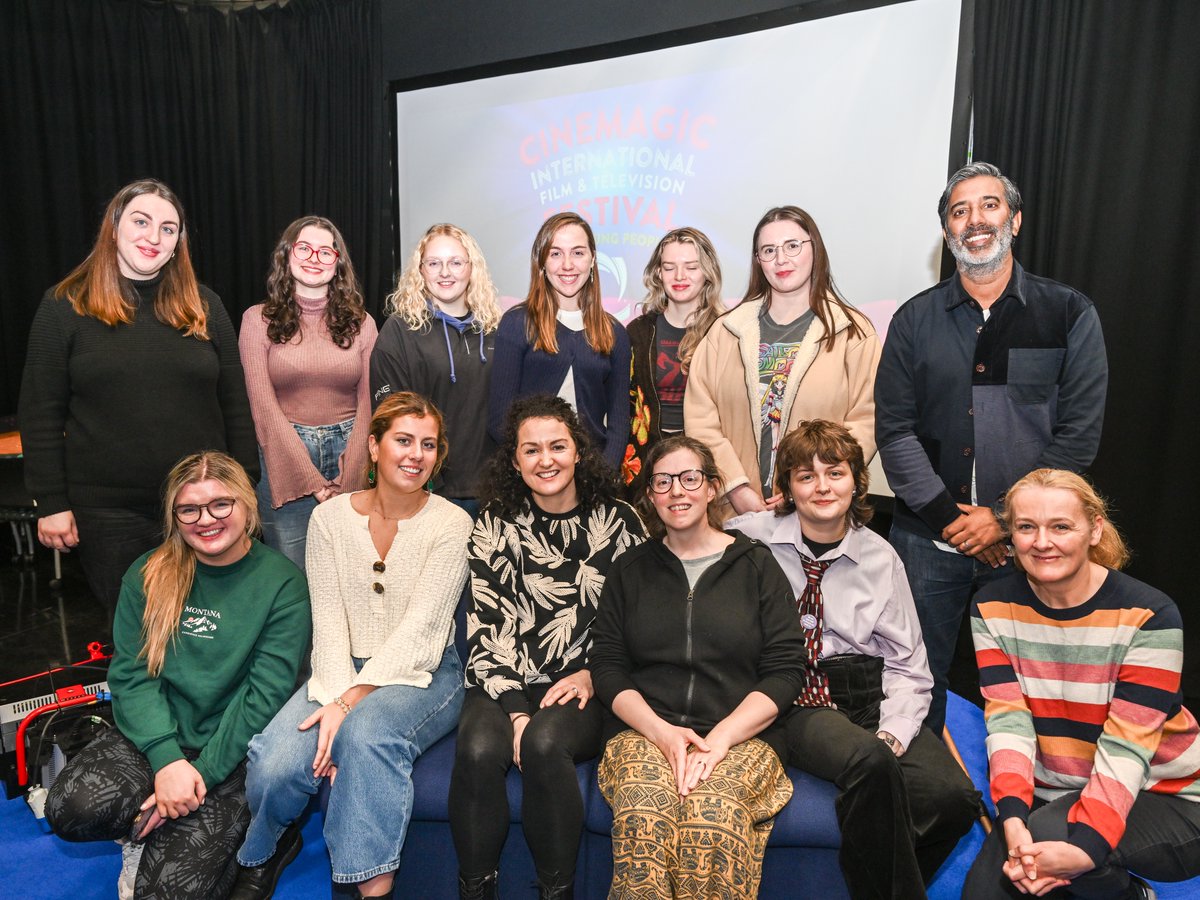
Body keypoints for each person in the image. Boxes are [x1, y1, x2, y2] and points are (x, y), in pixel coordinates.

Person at [875, 162, 1109, 734]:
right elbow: (895, 431)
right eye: (959, 211)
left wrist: (1005, 519)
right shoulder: (912, 321)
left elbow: (1076, 438)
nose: (974, 220)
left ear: (1015, 219)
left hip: (1035, 542)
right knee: (913, 684)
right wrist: (954, 523)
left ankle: (1026, 810)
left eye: (988, 206)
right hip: (926, 539)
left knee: (1034, 689)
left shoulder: (1068, 314)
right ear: (947, 231)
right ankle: (924, 805)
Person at [232, 392, 471, 900]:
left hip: (425, 671)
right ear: (374, 446)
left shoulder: (452, 523)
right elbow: (330, 622)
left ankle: (365, 890)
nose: (416, 454)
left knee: (365, 737)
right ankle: (268, 847)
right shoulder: (330, 519)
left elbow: (423, 632)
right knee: (275, 763)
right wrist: (339, 697)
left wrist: (348, 707)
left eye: (428, 445)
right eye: (403, 440)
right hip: (339, 663)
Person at [728, 420, 980, 899]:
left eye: (835, 473)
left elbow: (910, 666)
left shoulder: (881, 558)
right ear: (785, 488)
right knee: (869, 762)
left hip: (867, 692)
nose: (822, 487)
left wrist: (894, 732)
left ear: (856, 482)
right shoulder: (749, 538)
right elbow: (688, 539)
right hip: (798, 695)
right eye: (805, 476)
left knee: (953, 799)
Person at [44, 451, 310, 900]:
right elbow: (130, 676)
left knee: (167, 894)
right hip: (155, 739)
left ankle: (268, 835)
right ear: (174, 516)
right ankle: (139, 833)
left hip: (230, 755)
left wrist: (195, 777)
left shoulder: (282, 583)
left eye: (220, 504)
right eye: (189, 509)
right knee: (70, 809)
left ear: (246, 505)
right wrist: (167, 761)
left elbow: (263, 697)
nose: (206, 519)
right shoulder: (149, 573)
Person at [19, 179, 258, 612]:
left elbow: (236, 406)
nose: (154, 237)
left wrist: (244, 488)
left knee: (209, 630)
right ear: (114, 228)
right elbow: (40, 414)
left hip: (202, 506)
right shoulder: (62, 306)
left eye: (169, 228)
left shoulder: (206, 306)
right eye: (141, 221)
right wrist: (51, 502)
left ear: (177, 243)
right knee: (137, 639)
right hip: (109, 515)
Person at [964, 469, 1200, 899]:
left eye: (1060, 526)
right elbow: (1009, 721)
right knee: (986, 891)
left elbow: (1127, 746)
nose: (1041, 542)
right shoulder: (992, 607)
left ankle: (1129, 894)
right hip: (1055, 790)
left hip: (1167, 794)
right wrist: (1012, 816)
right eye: (1025, 527)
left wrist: (1090, 850)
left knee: (1059, 840)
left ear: (1095, 529)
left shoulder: (1150, 615)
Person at [591, 434, 809, 898]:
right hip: (644, 733)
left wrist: (721, 738)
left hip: (742, 737)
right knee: (645, 814)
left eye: (690, 478)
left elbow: (787, 669)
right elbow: (608, 666)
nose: (677, 491)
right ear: (650, 494)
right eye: (663, 481)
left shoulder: (756, 565)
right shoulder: (629, 569)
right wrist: (661, 732)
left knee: (712, 817)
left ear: (712, 488)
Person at [451, 394, 646, 900]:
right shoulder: (494, 521)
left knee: (543, 744)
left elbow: (642, 618)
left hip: (586, 682)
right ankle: (477, 889)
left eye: (557, 446)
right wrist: (516, 711)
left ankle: (555, 892)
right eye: (531, 450)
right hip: (504, 677)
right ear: (514, 460)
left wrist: (593, 673)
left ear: (578, 451)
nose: (546, 460)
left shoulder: (620, 520)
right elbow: (485, 624)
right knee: (476, 750)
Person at [684, 205, 880, 517]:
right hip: (735, 513)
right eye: (769, 250)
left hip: (817, 512)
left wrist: (809, 485)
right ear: (758, 260)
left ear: (815, 249)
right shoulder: (726, 331)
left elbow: (866, 421)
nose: (781, 259)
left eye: (792, 246)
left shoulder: (853, 332)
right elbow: (700, 417)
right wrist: (734, 486)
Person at [239, 215, 377, 570]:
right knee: (293, 578)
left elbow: (370, 403)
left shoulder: (363, 323)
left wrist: (350, 473)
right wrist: (312, 480)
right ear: (286, 256)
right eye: (304, 248)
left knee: (353, 575)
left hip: (352, 454)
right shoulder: (257, 321)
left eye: (325, 251)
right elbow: (262, 407)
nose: (314, 258)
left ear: (338, 263)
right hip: (284, 457)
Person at [370, 223, 502, 517]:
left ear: (471, 269)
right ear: (421, 269)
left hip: (492, 490)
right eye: (434, 263)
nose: (445, 272)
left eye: (456, 262)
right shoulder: (400, 331)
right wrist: (426, 478)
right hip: (427, 490)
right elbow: (391, 419)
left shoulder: (495, 329)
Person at [488, 213, 631, 469]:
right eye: (555, 254)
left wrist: (602, 477)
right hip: (531, 476)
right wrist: (537, 465)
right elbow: (500, 420)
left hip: (592, 477)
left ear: (592, 259)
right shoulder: (517, 324)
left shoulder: (615, 333)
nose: (567, 265)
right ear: (541, 262)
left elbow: (620, 424)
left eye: (577, 253)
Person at [623, 227, 724, 491]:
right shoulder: (638, 332)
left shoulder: (725, 331)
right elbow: (625, 406)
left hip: (709, 462)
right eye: (669, 267)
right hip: (648, 464)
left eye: (691, 267)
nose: (680, 276)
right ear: (658, 273)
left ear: (707, 272)